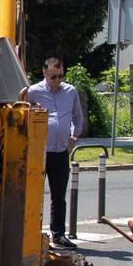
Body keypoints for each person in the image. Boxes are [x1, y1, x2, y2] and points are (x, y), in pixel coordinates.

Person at [24, 56, 88, 244]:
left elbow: (78, 116)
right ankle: (31, 233)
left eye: (60, 76)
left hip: (60, 152)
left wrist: (74, 137)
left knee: (58, 196)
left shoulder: (70, 91)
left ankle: (58, 234)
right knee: (34, 195)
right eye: (53, 77)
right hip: (39, 152)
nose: (58, 81)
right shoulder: (33, 92)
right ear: (45, 73)